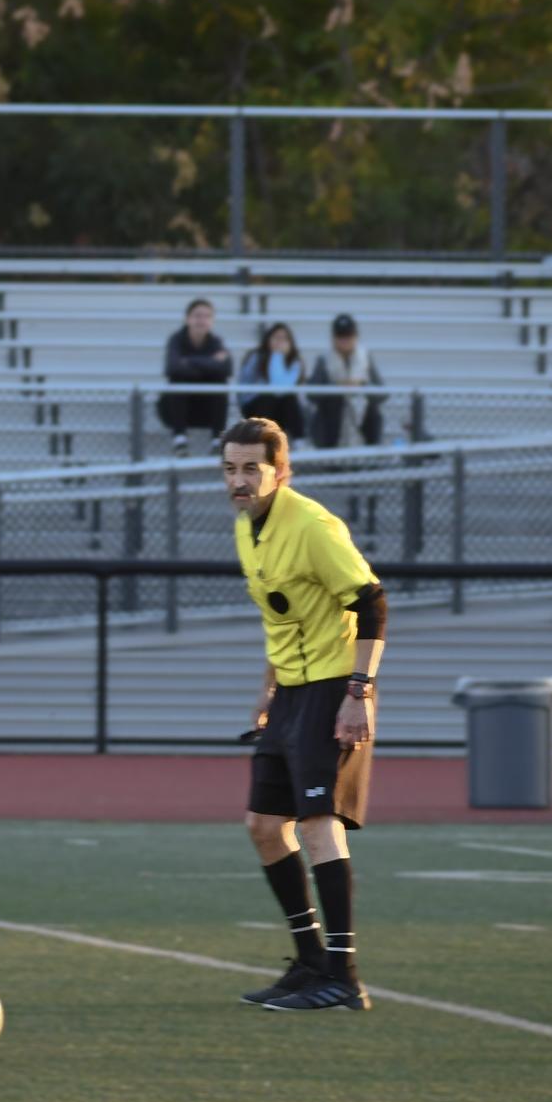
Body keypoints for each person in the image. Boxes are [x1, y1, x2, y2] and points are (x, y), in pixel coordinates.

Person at [223, 418, 387, 1014]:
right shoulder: (249, 529)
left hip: (332, 686)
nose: (240, 481)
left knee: (319, 824)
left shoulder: (313, 525)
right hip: (291, 691)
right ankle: (312, 961)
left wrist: (358, 693)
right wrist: (269, 691)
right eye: (231, 469)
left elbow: (372, 603)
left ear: (280, 471)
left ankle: (344, 975)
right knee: (265, 827)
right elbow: (281, 618)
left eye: (252, 469)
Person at [161, 298, 234, 455]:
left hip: (205, 408)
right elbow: (172, 368)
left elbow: (227, 369)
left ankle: (217, 440)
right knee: (177, 381)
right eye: (197, 315)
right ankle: (179, 439)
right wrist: (210, 363)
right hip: (177, 409)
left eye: (207, 316)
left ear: (212, 321)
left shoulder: (216, 341)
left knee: (220, 382)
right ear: (187, 319)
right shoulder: (176, 340)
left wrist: (189, 362)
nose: (202, 320)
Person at [308, 314, 385, 450]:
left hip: (362, 415)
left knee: (373, 412)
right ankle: (329, 455)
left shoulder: (365, 358)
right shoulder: (323, 359)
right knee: (335, 403)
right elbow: (311, 395)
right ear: (333, 338)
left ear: (356, 337)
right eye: (340, 336)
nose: (344, 340)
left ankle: (369, 451)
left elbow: (382, 394)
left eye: (348, 336)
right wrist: (336, 388)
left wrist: (361, 385)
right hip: (331, 419)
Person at [237, 321, 308, 442]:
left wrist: (278, 356)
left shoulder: (294, 362)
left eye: (284, 338)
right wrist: (276, 355)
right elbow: (273, 387)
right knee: (268, 395)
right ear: (268, 339)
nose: (280, 342)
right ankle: (261, 439)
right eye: (276, 337)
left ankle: (299, 441)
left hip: (280, 407)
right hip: (254, 407)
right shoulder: (256, 356)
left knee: (289, 397)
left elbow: (283, 388)